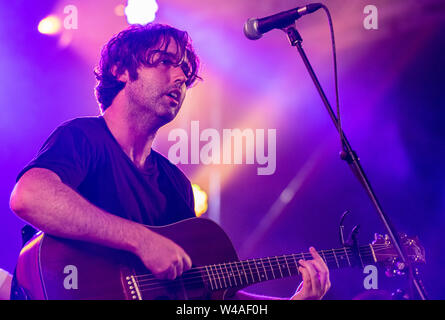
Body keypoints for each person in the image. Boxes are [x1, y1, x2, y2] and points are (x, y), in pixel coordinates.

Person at [9, 23, 330, 300]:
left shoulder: (176, 184)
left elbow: (202, 295)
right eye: (165, 62)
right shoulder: (83, 137)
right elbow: (29, 197)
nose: (180, 77)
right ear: (120, 70)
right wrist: (141, 240)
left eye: (186, 71)